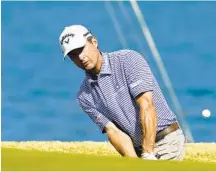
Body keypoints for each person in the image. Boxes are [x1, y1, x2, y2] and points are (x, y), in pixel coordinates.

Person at [59, 25, 186, 160]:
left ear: (94, 42)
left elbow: (147, 105)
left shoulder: (128, 60)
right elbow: (113, 131)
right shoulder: (84, 96)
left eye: (81, 49)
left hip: (165, 141)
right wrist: (133, 163)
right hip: (138, 151)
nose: (80, 57)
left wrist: (148, 153)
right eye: (73, 55)